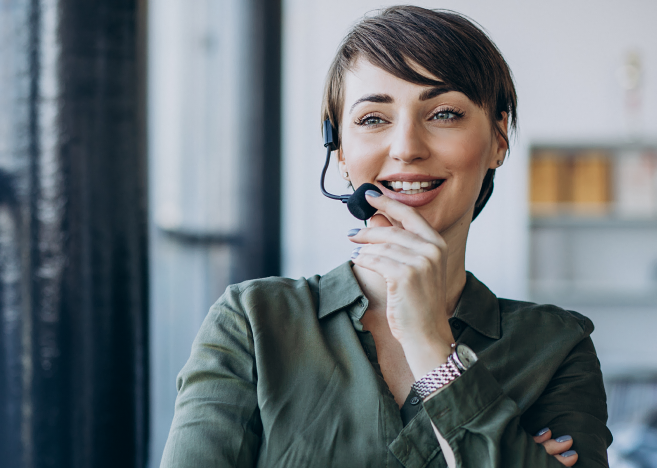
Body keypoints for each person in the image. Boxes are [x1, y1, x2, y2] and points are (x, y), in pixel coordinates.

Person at [160, 6, 612, 467]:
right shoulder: (253, 322)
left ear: (498, 139)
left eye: (445, 113)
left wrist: (431, 343)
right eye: (374, 119)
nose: (407, 147)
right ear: (338, 149)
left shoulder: (556, 345)